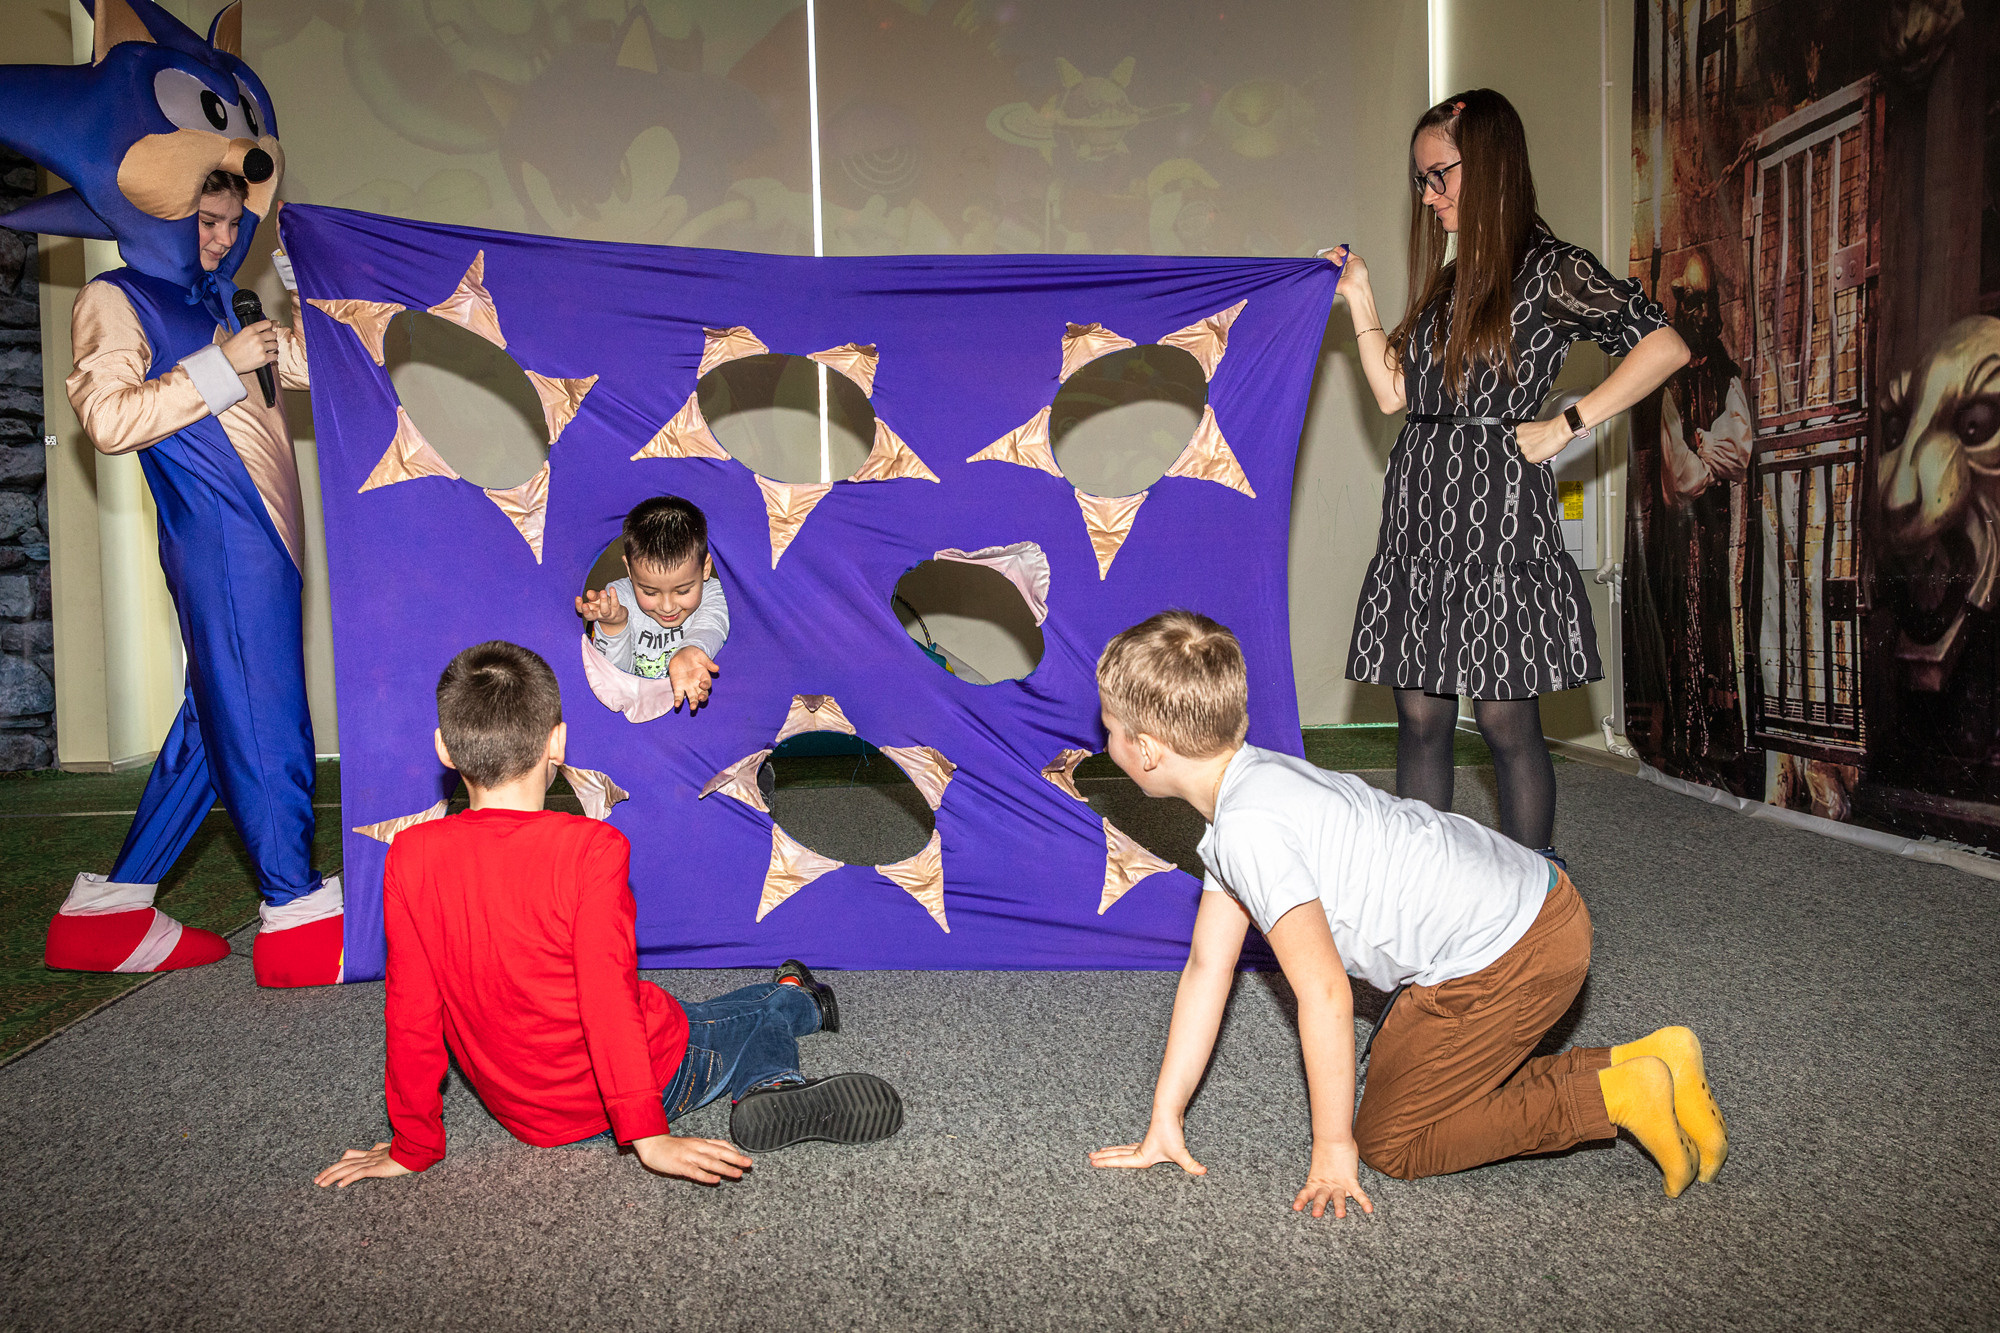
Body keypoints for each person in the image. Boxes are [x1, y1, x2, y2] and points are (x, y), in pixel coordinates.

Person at [1086, 611, 1727, 1214]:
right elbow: (1207, 966)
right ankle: (1649, 1061)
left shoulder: (1248, 832)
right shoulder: (1254, 784)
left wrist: (1334, 1149)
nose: (1103, 735)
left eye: (1109, 726)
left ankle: (1610, 1097)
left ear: (1147, 750)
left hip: (1517, 951)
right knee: (1416, 1084)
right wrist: (1165, 1116)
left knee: (1396, 1141)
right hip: (1530, 907)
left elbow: (1328, 996)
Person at [314, 641, 903, 1190]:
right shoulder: (592, 849)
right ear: (559, 742)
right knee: (743, 1025)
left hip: (526, 1113)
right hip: (626, 1091)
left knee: (697, 1010)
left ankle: (795, 993)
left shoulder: (411, 856)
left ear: (443, 747)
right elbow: (606, 1000)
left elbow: (412, 1009)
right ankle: (780, 1059)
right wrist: (647, 1135)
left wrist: (411, 1145)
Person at [1329, 89, 1691, 869]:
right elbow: (1395, 393)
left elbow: (1664, 346)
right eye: (1420, 181)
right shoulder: (1448, 283)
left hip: (1498, 509)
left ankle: (1532, 893)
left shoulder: (1553, 271)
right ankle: (1425, 887)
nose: (1427, 197)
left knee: (1502, 719)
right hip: (1421, 508)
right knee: (1421, 716)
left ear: (1488, 166)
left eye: (1439, 176)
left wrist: (1570, 422)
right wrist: (1359, 294)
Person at [46, 168, 344, 986]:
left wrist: (305, 293)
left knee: (217, 720)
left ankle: (109, 913)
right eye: (204, 222)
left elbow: (320, 378)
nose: (220, 238)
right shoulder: (115, 295)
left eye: (229, 224)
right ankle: (296, 910)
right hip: (218, 537)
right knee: (266, 710)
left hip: (269, 543)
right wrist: (219, 367)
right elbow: (108, 419)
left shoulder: (223, 300)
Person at [577, 496, 729, 713]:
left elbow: (712, 625)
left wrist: (690, 651)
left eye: (683, 590)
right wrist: (614, 627)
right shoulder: (618, 599)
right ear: (629, 570)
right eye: (650, 592)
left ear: (705, 569)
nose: (667, 607)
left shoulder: (713, 593)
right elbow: (616, 683)